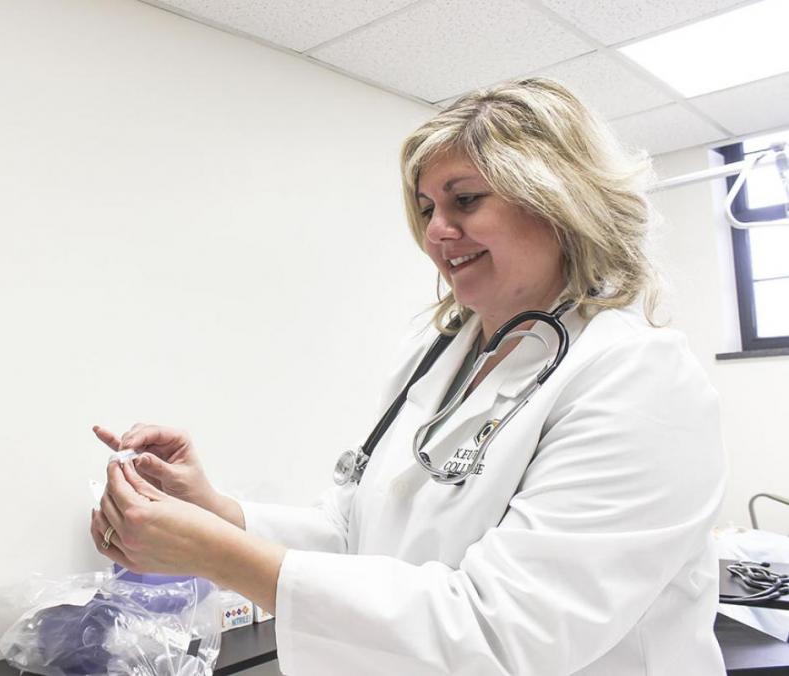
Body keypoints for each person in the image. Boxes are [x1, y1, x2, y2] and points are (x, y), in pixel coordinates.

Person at [89, 78, 726, 675]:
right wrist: (218, 513)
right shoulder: (440, 352)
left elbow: (507, 632)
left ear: (557, 199)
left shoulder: (641, 379)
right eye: (425, 209)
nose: (437, 234)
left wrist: (215, 555)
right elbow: (358, 536)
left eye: (466, 200)